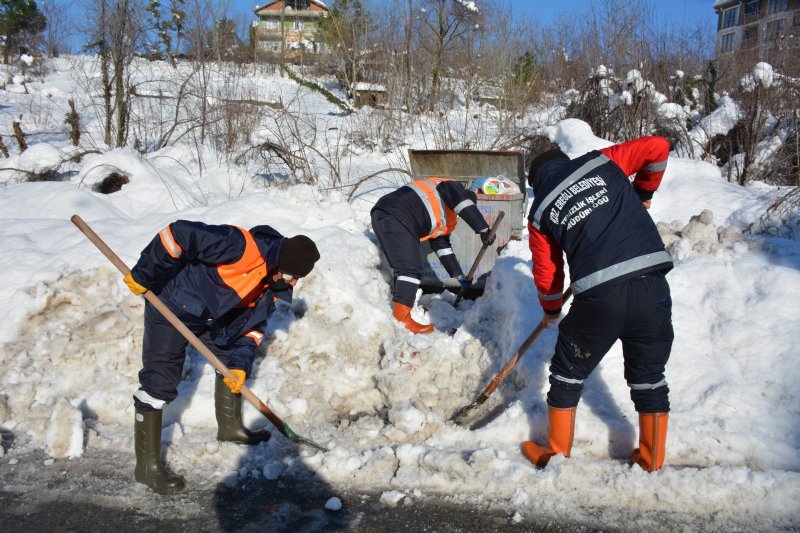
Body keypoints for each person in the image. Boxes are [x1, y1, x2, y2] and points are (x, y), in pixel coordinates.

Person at [122, 220, 320, 494]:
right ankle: (146, 469)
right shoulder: (238, 247)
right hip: (169, 306)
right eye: (291, 276)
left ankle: (229, 428)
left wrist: (239, 367)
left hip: (206, 317)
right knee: (160, 382)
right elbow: (177, 234)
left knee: (230, 361)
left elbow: (251, 331)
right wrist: (144, 273)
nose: (293, 283)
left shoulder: (269, 286)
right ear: (279, 266)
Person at [521, 136, 674, 472]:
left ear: (536, 182)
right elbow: (657, 147)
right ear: (563, 160)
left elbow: (548, 270)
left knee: (567, 373)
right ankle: (651, 460)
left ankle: (558, 452)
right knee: (649, 375)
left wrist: (550, 309)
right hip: (652, 289)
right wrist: (644, 192)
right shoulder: (601, 161)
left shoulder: (540, 210)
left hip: (599, 300)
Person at [371, 177, 494, 333]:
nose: (462, 214)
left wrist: (458, 276)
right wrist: (482, 228)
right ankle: (401, 318)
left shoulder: (446, 217)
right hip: (396, 213)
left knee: (408, 265)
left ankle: (401, 311)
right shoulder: (451, 187)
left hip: (391, 215)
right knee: (409, 267)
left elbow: (442, 246)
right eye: (466, 210)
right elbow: (463, 203)